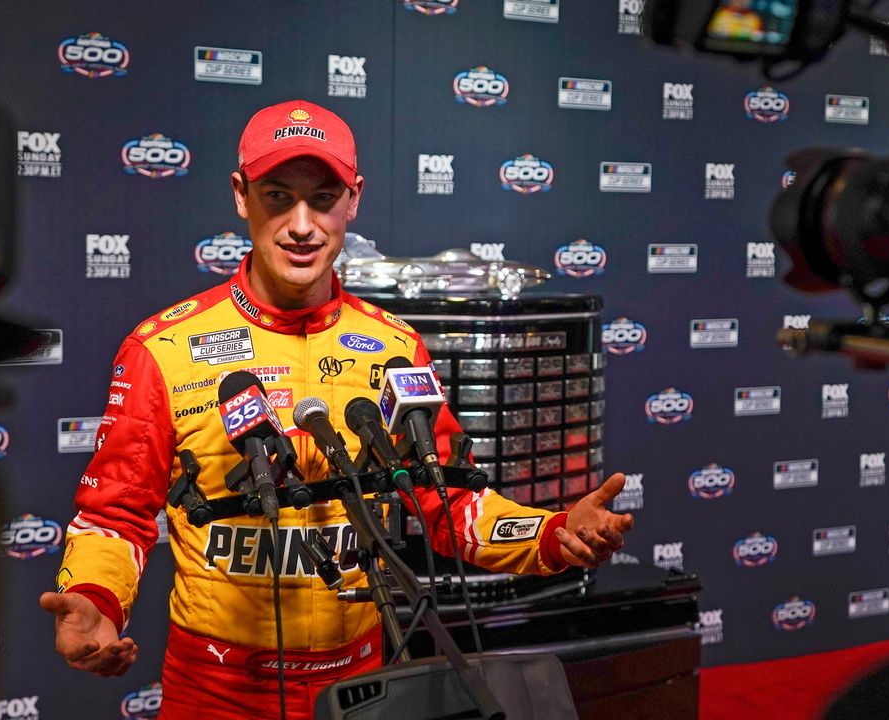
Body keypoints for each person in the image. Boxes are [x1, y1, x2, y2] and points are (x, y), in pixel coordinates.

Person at [39, 99, 635, 719]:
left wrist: (549, 532)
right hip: (216, 692)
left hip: (364, 688)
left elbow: (448, 504)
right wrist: (94, 600)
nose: (302, 224)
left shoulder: (397, 346)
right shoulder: (162, 348)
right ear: (242, 196)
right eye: (277, 196)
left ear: (353, 200)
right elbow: (115, 517)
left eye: (323, 198)